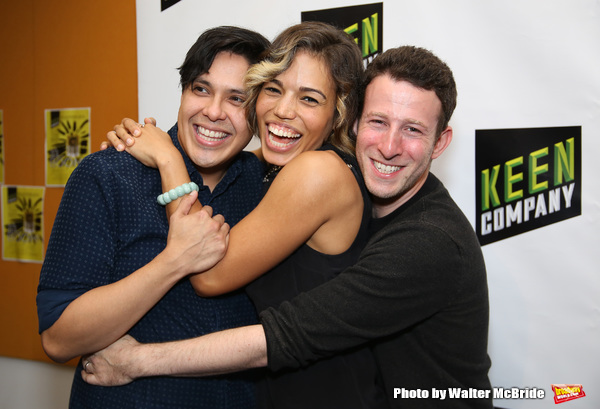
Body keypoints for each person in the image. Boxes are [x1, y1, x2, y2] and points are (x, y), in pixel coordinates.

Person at [83, 46, 493, 408]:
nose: (389, 146)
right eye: (378, 122)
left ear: (440, 143)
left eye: (413, 130)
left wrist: (138, 361)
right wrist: (140, 143)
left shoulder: (429, 240)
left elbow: (262, 318)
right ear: (355, 124)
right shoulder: (311, 174)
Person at [104, 22, 386, 408]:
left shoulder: (317, 173)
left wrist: (168, 158)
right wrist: (137, 137)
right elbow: (225, 159)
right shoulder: (275, 166)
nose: (282, 111)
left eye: (309, 99)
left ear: (338, 113)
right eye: (274, 89)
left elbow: (207, 272)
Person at [36, 26, 270, 409]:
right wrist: (174, 262)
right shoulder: (108, 174)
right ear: (182, 91)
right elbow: (59, 338)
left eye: (237, 99)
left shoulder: (265, 188)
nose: (213, 111)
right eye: (201, 88)